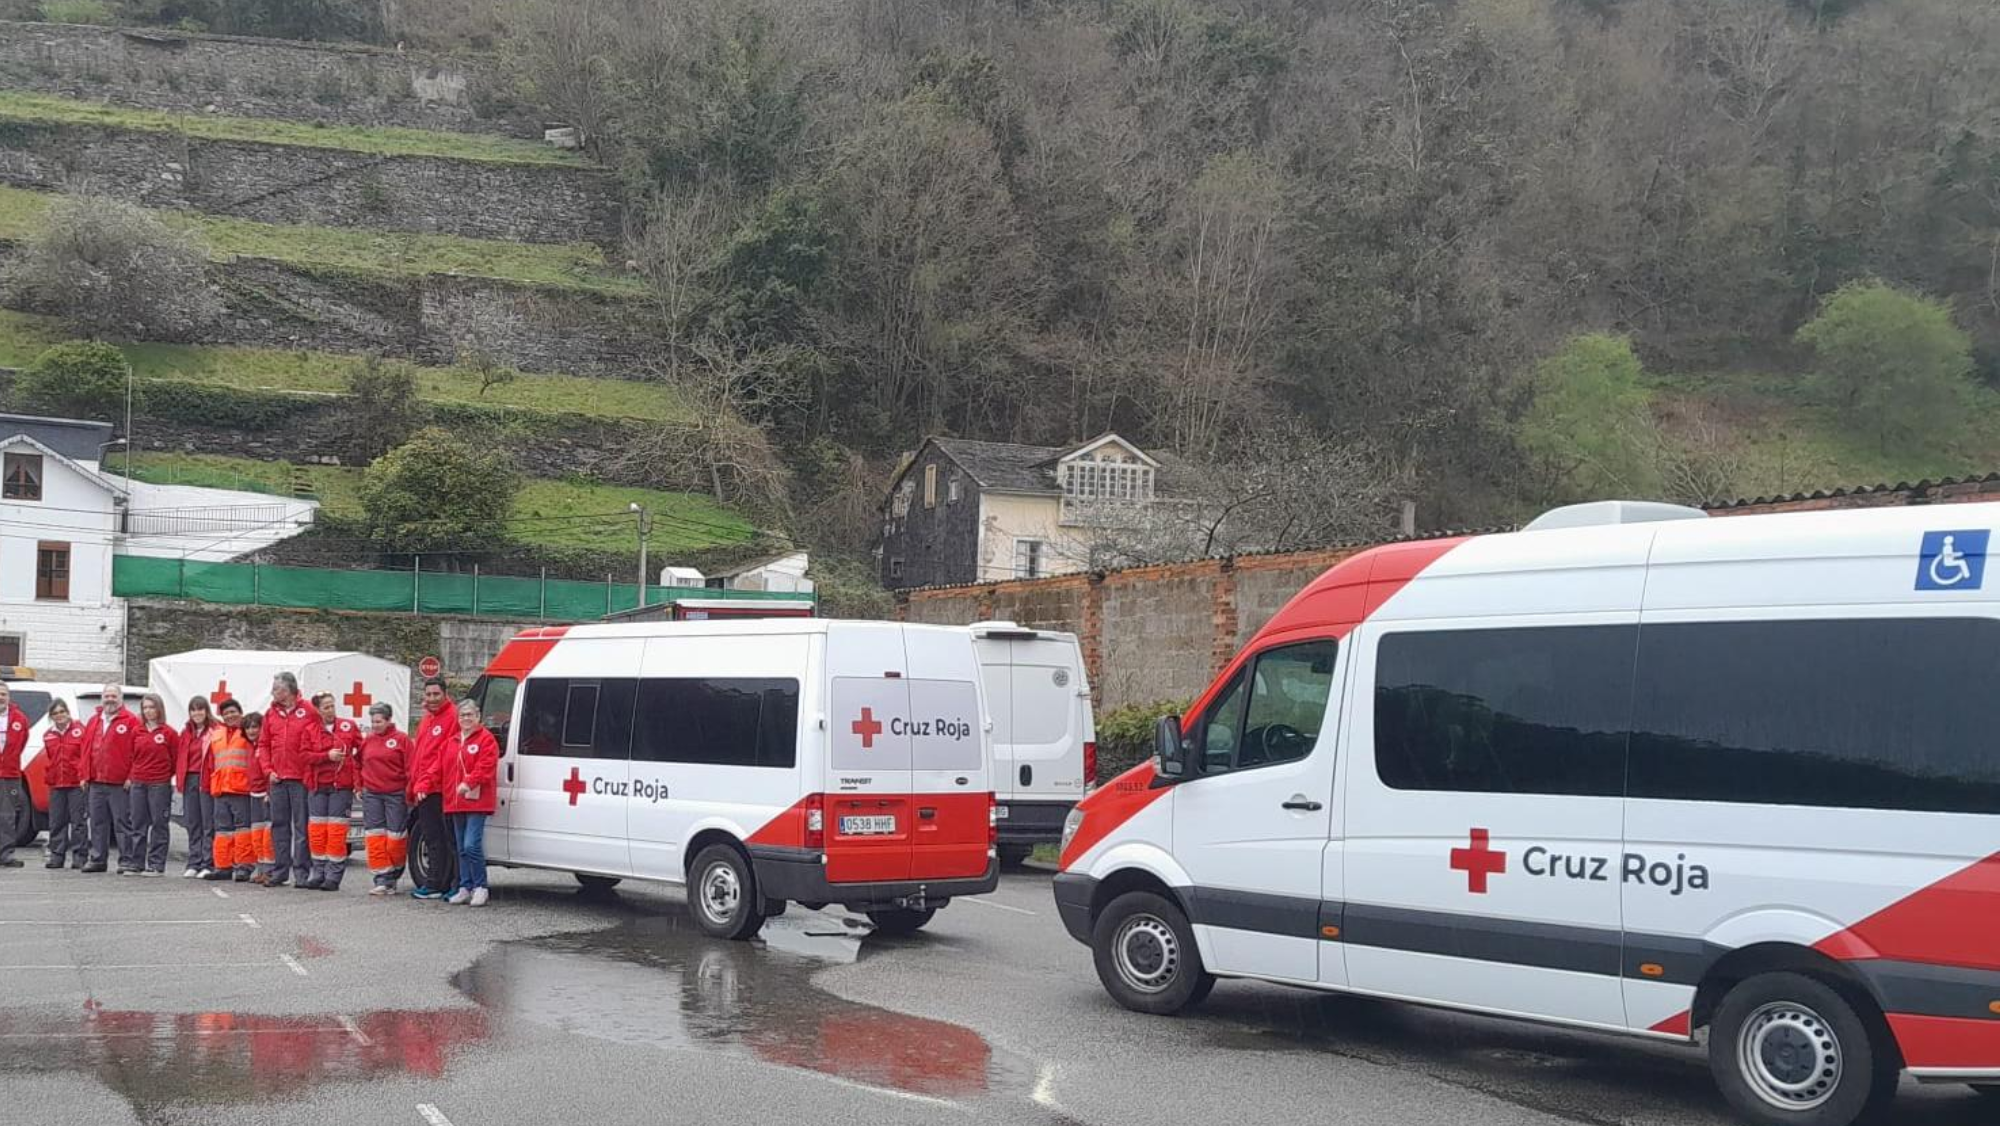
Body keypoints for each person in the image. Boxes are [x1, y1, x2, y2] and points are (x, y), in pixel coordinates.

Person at [256, 673, 316, 889]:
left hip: (300, 779)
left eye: (276, 689)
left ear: (288, 690)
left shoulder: (308, 710)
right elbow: (263, 745)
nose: (273, 692)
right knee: (278, 826)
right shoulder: (270, 713)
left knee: (301, 826)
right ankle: (280, 871)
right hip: (277, 779)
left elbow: (317, 738)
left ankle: (302, 872)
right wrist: (267, 770)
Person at [442, 697, 498, 906]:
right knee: (461, 847)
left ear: (478, 716)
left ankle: (480, 886)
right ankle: (465, 886)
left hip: (477, 800)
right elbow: (442, 768)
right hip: (456, 800)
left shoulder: (486, 739)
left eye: (470, 715)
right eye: (462, 715)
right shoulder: (453, 741)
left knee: (471, 844)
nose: (466, 718)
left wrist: (468, 782)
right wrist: (424, 784)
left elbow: (485, 767)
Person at [80, 685, 139, 874]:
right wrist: (84, 775)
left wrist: (131, 776)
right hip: (96, 781)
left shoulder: (131, 721)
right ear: (102, 699)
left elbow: (136, 752)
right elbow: (85, 750)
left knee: (122, 823)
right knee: (97, 822)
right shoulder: (94, 721)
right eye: (107, 696)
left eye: (114, 696)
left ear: (121, 699)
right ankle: (98, 859)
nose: (110, 699)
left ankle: (126, 860)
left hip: (119, 783)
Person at [304, 691, 360, 892]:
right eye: (326, 707)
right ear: (317, 710)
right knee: (317, 832)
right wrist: (326, 756)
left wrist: (358, 779)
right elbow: (304, 756)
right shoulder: (309, 729)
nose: (330, 710)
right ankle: (318, 872)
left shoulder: (348, 726)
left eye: (332, 706)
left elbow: (360, 751)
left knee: (336, 832)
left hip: (340, 786)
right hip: (318, 786)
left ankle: (334, 876)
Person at [407, 678, 456, 901]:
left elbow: (443, 755)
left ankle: (437, 882)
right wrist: (413, 783)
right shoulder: (427, 719)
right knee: (430, 835)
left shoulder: (452, 717)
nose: (432, 699)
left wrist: (425, 782)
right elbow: (419, 755)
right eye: (429, 694)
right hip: (423, 787)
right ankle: (438, 881)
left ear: (445, 694)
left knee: (440, 838)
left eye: (436, 694)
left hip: (438, 788)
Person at [358, 702, 411, 896]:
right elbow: (357, 763)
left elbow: (410, 768)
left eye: (379, 721)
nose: (375, 725)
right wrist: (359, 785)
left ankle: (394, 872)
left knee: (396, 837)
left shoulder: (402, 740)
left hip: (395, 794)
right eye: (373, 721)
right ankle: (381, 878)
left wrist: (409, 791)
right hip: (372, 794)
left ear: (388, 720)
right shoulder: (368, 740)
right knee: (374, 837)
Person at [204, 699, 257, 882]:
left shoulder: (248, 732)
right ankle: (223, 867)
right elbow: (212, 763)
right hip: (220, 789)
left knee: (243, 830)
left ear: (240, 712)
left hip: (241, 789)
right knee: (222, 831)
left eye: (233, 712)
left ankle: (244, 866)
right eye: (226, 713)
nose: (230, 715)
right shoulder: (217, 735)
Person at [128, 694, 179, 878]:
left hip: (159, 784)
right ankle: (136, 863)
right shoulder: (136, 732)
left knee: (159, 824)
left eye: (152, 707)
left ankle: (156, 864)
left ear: (159, 709)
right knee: (138, 824)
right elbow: (131, 756)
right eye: (145, 708)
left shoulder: (169, 733)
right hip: (138, 783)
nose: (148, 711)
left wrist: (164, 776)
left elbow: (175, 760)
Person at [39, 699, 85, 870]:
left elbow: (86, 756)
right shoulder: (48, 735)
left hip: (75, 783)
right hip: (56, 783)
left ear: (68, 712)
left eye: (62, 712)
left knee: (78, 822)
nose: (59, 716)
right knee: (56, 822)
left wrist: (83, 777)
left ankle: (79, 857)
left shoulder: (80, 731)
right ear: (51, 716)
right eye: (55, 713)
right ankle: (57, 856)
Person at [178, 694, 217, 879]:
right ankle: (194, 861)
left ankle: (208, 862)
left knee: (208, 823)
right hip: (189, 780)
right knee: (192, 823)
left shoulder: (215, 730)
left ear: (206, 710)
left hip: (207, 780)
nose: (196, 713)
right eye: (193, 709)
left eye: (200, 709)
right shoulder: (186, 732)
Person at [243, 711, 275, 883]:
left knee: (267, 836)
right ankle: (261, 870)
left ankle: (270, 871)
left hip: (265, 795)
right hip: (253, 794)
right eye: (248, 727)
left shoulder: (265, 748)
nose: (251, 731)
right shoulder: (250, 747)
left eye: (255, 727)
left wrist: (269, 793)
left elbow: (269, 771)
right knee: (256, 836)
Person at [0, 684, 27, 869]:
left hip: (9, 774)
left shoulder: (20, 718)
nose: (0, 697)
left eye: (3, 694)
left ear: (9, 696)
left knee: (7, 816)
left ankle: (6, 854)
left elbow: (22, 743)